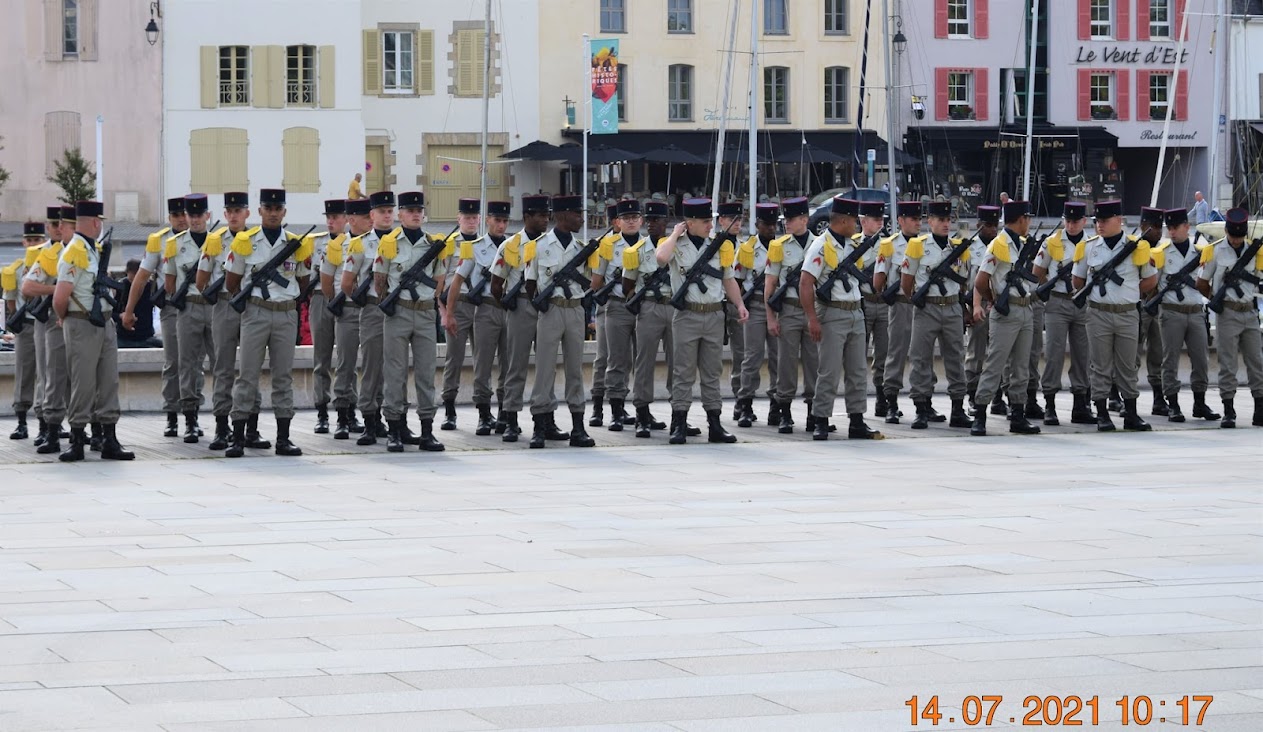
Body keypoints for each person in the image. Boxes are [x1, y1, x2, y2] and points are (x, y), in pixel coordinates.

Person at [223, 188, 311, 457]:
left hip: (285, 313)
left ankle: (283, 438)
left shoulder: (296, 244)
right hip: (256, 312)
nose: (273, 213)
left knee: (283, 377)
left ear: (284, 212)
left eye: (277, 209)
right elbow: (231, 281)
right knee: (247, 376)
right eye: (268, 209)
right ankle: (238, 437)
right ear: (260, 211)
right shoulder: (245, 242)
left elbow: (304, 280)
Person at [657, 197, 748, 444]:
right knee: (683, 372)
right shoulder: (675, 245)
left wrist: (740, 304)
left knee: (712, 372)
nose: (710, 225)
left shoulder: (719, 245)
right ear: (690, 223)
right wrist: (675, 234)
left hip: (714, 315)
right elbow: (661, 258)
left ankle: (715, 424)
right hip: (687, 315)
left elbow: (728, 278)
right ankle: (679, 423)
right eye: (706, 221)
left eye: (711, 220)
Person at [52, 200, 135, 461]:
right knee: (83, 382)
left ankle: (109, 438)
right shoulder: (75, 252)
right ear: (96, 222)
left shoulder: (93, 250)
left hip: (104, 323)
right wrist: (66, 319)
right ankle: (77, 439)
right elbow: (59, 298)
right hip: (82, 323)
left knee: (108, 381)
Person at [799, 197, 883, 440]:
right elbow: (805, 283)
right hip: (832, 312)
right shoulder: (821, 246)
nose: (857, 225)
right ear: (844, 220)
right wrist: (812, 319)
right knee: (829, 370)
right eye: (854, 221)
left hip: (856, 311)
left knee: (858, 370)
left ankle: (856, 420)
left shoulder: (852, 245)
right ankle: (821, 419)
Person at [1071, 199, 1158, 431]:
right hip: (1098, 313)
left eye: (1104, 220)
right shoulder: (1088, 247)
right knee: (1100, 365)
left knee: (1128, 365)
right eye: (1097, 221)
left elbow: (1151, 280)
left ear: (1119, 220)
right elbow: (1077, 280)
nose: (1100, 225)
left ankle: (1131, 413)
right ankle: (1101, 413)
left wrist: (1129, 293)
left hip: (1127, 313)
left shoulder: (1137, 247)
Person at [194, 191, 267, 451]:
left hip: (252, 305)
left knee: (251, 369)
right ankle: (222, 428)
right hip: (225, 304)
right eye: (230, 212)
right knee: (223, 367)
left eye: (239, 211)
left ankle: (251, 428)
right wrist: (215, 295)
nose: (234, 216)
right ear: (225, 214)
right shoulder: (215, 241)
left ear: (247, 213)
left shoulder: (257, 239)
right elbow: (201, 279)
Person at [378, 191, 449, 452]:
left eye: (419, 211)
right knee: (395, 372)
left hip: (425, 312)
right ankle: (395, 429)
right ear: (400, 214)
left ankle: (427, 431)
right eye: (410, 211)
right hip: (398, 311)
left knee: (426, 373)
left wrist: (428, 298)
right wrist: (391, 302)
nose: (416, 214)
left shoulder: (433, 244)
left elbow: (440, 281)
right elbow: (379, 280)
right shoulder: (389, 243)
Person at [525, 194, 596, 448]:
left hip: (575, 309)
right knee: (544, 369)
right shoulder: (538, 246)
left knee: (575, 369)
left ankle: (578, 426)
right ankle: (539, 425)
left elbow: (591, 282)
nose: (581, 219)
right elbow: (530, 282)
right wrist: (542, 305)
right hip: (551, 309)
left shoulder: (582, 249)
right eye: (577, 214)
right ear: (563, 215)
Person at [969, 199, 1042, 436]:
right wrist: (994, 299)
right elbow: (980, 281)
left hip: (1025, 308)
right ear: (1021, 219)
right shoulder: (998, 245)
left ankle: (1018, 414)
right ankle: (980, 413)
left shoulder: (1021, 244)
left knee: (1021, 366)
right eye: (1027, 219)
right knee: (995, 364)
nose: (1029, 223)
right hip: (1006, 309)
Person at [901, 199, 973, 429]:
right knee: (920, 358)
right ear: (929, 221)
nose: (945, 224)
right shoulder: (917, 245)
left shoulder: (959, 247)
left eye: (948, 220)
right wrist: (917, 298)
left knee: (956, 358)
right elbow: (906, 281)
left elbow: (964, 280)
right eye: (940, 220)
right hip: (927, 307)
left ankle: (958, 409)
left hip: (952, 306)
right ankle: (921, 408)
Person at [122, 197, 189, 437]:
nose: (181, 219)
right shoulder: (159, 242)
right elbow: (141, 277)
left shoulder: (204, 240)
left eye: (184, 214)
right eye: (176, 215)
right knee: (173, 362)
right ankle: (172, 414)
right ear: (169, 218)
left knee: (193, 363)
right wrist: (129, 310)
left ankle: (191, 415)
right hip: (171, 308)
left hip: (197, 307)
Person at [446, 200, 511, 435]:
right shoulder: (474, 248)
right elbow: (455, 280)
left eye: (505, 221)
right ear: (489, 220)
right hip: (483, 307)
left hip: (508, 309)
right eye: (497, 220)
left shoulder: (514, 246)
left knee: (508, 364)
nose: (501, 225)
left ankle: (505, 413)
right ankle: (481, 413)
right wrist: (448, 312)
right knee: (480, 363)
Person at [1195, 206, 1263, 428]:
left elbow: (1258, 278)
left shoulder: (1255, 251)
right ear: (1226, 231)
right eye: (1233, 236)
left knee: (1257, 362)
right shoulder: (1214, 251)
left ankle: (1260, 409)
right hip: (1228, 312)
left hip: (1250, 312)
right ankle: (1229, 410)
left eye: (1239, 236)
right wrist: (1217, 298)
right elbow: (1201, 282)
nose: (1236, 240)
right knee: (1227, 363)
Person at [1153, 207, 1219, 423]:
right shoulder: (1161, 253)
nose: (1172, 232)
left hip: (1196, 311)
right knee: (1170, 360)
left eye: (1176, 227)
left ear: (1186, 227)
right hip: (1171, 311)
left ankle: (1200, 403)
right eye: (1169, 228)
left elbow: (1206, 281)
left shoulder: (1201, 252)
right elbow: (1153, 285)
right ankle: (1172, 404)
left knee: (1201, 359)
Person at [1032, 201, 1094, 425]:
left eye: (1075, 221)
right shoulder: (1052, 242)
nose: (1071, 225)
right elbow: (1037, 271)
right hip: (1057, 301)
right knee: (1054, 354)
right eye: (1068, 221)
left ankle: (1080, 404)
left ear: (1084, 221)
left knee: (1083, 355)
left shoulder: (1092, 243)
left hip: (1082, 302)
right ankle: (1050, 404)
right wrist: (1050, 286)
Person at [162, 194, 218, 442]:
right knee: (187, 364)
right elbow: (169, 283)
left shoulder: (218, 242)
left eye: (199, 215)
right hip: (189, 306)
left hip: (215, 307)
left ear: (208, 216)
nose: (195, 220)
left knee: (220, 363)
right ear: (186, 216)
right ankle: (190, 419)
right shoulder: (174, 244)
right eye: (191, 215)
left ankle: (223, 419)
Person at [343, 191, 396, 444]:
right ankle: (369, 419)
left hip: (397, 309)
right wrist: (362, 300)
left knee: (394, 366)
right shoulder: (361, 244)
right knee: (372, 366)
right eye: (382, 212)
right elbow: (347, 282)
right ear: (372, 215)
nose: (387, 215)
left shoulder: (401, 241)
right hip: (374, 308)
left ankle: (392, 417)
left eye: (390, 211)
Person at [621, 200, 678, 437]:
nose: (652, 224)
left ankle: (679, 415)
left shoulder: (677, 246)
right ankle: (642, 415)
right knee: (643, 362)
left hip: (674, 307)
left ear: (666, 222)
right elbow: (627, 284)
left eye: (657, 220)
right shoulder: (637, 250)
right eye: (650, 220)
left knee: (679, 363)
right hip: (650, 307)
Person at [765, 197, 821, 433]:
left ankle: (813, 412)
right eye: (785, 219)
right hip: (788, 309)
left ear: (804, 219)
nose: (786, 223)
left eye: (791, 219)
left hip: (813, 310)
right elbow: (770, 284)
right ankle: (784, 411)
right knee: (786, 363)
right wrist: (770, 317)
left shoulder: (820, 244)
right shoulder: (778, 246)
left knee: (814, 362)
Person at [22, 206, 75, 455]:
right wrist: (57, 290)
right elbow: (28, 288)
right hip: (48, 320)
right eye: (54, 225)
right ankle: (46, 425)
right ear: (49, 227)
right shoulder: (41, 254)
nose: (58, 229)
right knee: (47, 374)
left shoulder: (80, 250)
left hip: (75, 319)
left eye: (61, 224)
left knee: (74, 376)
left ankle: (77, 425)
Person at [589, 199, 643, 432]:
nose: (630, 221)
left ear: (640, 220)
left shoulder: (648, 245)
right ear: (618, 221)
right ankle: (604, 407)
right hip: (614, 305)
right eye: (626, 218)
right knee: (609, 358)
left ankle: (638, 408)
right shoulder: (608, 245)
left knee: (636, 360)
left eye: (634, 217)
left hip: (641, 307)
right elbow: (596, 282)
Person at [874, 201, 925, 424]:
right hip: (901, 303)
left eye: (920, 219)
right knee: (896, 353)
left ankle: (924, 402)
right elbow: (878, 280)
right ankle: (891, 403)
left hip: (923, 304)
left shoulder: (927, 244)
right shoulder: (889, 246)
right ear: (901, 220)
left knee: (923, 355)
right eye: (913, 219)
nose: (918, 223)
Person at [733, 202, 781, 427]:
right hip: (754, 305)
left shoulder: (782, 246)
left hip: (777, 306)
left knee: (778, 358)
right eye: (766, 224)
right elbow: (737, 281)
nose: (770, 228)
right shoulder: (747, 249)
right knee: (752, 357)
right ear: (757, 224)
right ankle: (745, 403)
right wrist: (741, 305)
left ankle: (776, 404)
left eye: (773, 224)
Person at [327, 198, 372, 439]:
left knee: (374, 365)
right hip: (347, 309)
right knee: (345, 365)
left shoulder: (377, 243)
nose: (371, 220)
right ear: (352, 219)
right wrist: (338, 302)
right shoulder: (338, 245)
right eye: (366, 217)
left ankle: (372, 416)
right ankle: (343, 417)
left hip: (372, 310)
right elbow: (327, 280)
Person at [439, 198, 483, 431]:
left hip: (482, 306)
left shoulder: (485, 243)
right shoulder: (449, 245)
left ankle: (483, 410)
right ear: (459, 219)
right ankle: (449, 409)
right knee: (454, 359)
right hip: (457, 305)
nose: (471, 221)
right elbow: (440, 282)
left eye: (474, 217)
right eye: (467, 217)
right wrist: (445, 312)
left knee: (483, 360)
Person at [303, 199, 346, 434]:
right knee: (321, 358)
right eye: (328, 217)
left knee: (347, 358)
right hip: (320, 298)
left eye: (336, 217)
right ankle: (321, 411)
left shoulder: (352, 243)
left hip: (345, 299)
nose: (331, 221)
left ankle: (346, 409)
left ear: (346, 219)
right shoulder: (315, 242)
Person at [3, 222, 47, 440]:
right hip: (27, 325)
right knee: (24, 373)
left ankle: (47, 422)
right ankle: (21, 422)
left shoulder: (50, 265)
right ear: (23, 242)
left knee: (47, 374)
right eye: (29, 240)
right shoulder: (16, 268)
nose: (32, 244)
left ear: (44, 242)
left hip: (45, 324)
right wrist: (17, 319)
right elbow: (10, 300)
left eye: (37, 240)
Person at [588, 204, 622, 427]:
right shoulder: (604, 245)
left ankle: (620, 405)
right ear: (613, 222)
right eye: (621, 218)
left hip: (629, 307)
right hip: (607, 305)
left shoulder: (637, 244)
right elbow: (595, 282)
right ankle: (598, 407)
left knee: (623, 359)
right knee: (603, 357)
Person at [964, 205, 1000, 412]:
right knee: (975, 352)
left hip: (997, 303)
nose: (993, 229)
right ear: (978, 225)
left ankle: (997, 397)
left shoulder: (1001, 245)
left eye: (996, 225)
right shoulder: (968, 248)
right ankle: (973, 395)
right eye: (988, 225)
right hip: (976, 304)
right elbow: (963, 281)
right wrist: (967, 309)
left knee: (999, 352)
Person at [856, 200, 889, 418]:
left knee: (884, 353)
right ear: (863, 221)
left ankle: (882, 397)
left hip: (884, 302)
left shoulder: (889, 244)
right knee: (858, 354)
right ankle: (858, 401)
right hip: (863, 303)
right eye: (875, 220)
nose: (880, 224)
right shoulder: (852, 245)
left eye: (881, 220)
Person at [717, 201, 746, 417]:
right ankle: (713, 402)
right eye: (731, 219)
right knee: (711, 355)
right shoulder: (713, 245)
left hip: (736, 303)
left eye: (739, 220)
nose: (737, 223)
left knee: (741, 354)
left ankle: (740, 399)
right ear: (721, 221)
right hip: (715, 303)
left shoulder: (745, 247)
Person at [114, 260, 162, 348]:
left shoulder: (151, 287)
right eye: (131, 280)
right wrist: (121, 316)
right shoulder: (121, 286)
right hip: (124, 337)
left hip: (146, 335)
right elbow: (111, 314)